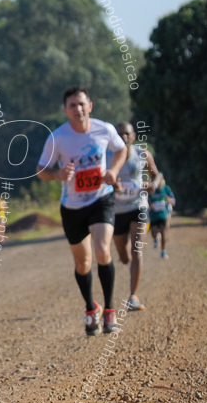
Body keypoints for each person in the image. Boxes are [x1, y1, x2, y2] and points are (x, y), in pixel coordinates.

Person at [37, 87, 127, 336]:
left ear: (90, 106)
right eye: (72, 105)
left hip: (101, 200)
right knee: (83, 261)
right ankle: (91, 308)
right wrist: (57, 174)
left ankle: (109, 309)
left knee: (102, 250)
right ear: (65, 110)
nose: (78, 109)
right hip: (73, 207)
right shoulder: (58, 137)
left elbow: (121, 149)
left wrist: (114, 171)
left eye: (81, 104)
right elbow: (41, 170)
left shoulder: (104, 129)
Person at [110, 122, 159, 311]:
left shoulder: (142, 155)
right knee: (123, 255)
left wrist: (153, 184)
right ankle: (127, 261)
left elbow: (157, 175)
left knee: (137, 251)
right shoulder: (108, 156)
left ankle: (133, 297)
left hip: (139, 206)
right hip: (116, 210)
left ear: (133, 136)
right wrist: (113, 185)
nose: (123, 137)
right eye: (119, 134)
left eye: (126, 134)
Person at [149, 176, 176, 259]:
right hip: (153, 215)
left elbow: (174, 201)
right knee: (153, 232)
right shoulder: (151, 189)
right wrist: (150, 205)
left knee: (164, 232)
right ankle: (155, 238)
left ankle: (163, 251)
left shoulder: (166, 189)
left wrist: (169, 200)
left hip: (164, 214)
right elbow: (146, 200)